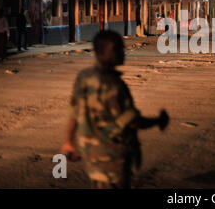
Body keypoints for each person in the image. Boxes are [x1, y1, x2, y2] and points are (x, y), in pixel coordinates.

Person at [60, 30, 169, 189]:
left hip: (91, 157)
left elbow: (74, 113)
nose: (123, 52)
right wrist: (158, 121)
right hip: (112, 159)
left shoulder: (84, 77)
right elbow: (132, 122)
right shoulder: (113, 85)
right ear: (104, 52)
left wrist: (68, 142)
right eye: (118, 48)